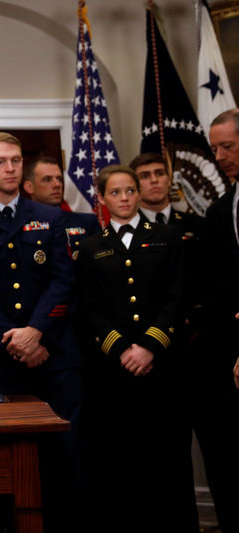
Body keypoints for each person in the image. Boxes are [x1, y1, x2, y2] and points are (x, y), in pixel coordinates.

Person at [0, 132, 83, 532]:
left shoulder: (53, 218)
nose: (10, 168)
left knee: (68, 458)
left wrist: (36, 332)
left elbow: (64, 283)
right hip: (0, 364)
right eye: (2, 161)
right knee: (7, 465)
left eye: (16, 160)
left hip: (56, 359)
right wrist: (16, 340)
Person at [75, 165, 197, 532]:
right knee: (122, 460)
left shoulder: (167, 237)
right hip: (115, 374)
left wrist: (148, 347)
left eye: (130, 190)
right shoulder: (91, 247)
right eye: (116, 192)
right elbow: (89, 308)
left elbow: (178, 299)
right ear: (101, 198)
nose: (125, 198)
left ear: (139, 193)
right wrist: (122, 350)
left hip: (163, 369)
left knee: (169, 460)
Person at [200, 108, 239, 533]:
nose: (220, 156)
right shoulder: (220, 210)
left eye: (226, 146)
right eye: (214, 149)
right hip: (228, 352)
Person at [22, 156, 99, 259]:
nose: (57, 184)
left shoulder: (87, 222)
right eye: (47, 179)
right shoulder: (20, 225)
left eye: (59, 179)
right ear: (29, 187)